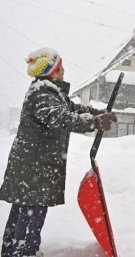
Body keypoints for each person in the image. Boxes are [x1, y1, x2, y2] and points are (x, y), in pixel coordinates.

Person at [0, 48, 117, 257]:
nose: (63, 70)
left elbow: (70, 108)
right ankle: (23, 253)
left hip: (32, 166)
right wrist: (95, 122)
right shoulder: (42, 94)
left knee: (23, 211)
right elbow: (61, 117)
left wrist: (92, 112)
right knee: (31, 215)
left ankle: (12, 251)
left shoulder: (48, 92)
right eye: (60, 67)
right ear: (52, 71)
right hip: (33, 169)